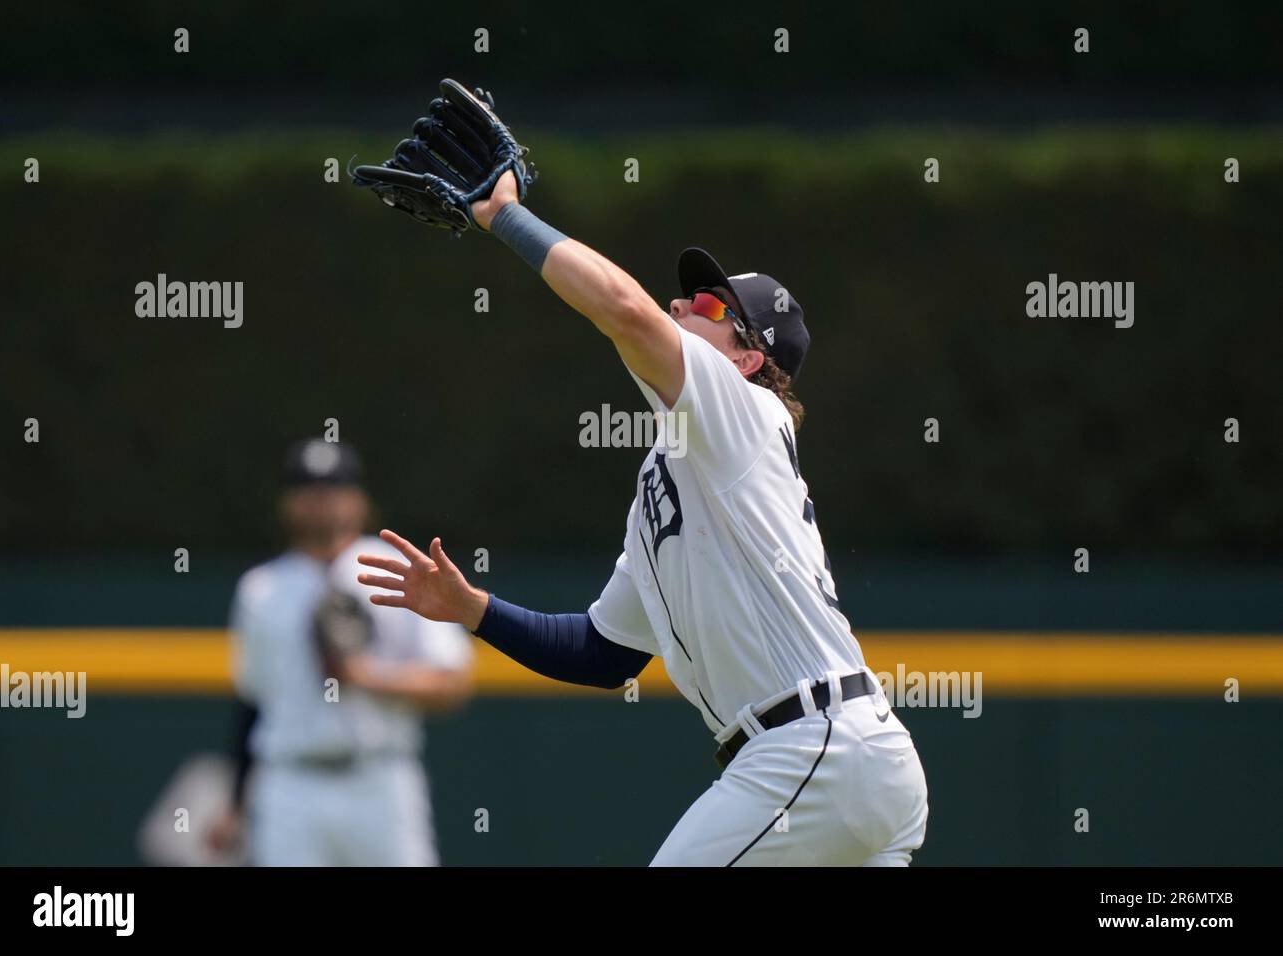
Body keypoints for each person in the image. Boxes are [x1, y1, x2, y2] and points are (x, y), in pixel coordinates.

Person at [357, 171, 928, 866]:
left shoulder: (742, 409)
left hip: (812, 750)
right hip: (852, 763)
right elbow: (606, 653)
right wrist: (474, 609)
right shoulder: (683, 480)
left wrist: (505, 215)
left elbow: (624, 309)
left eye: (713, 304)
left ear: (749, 357)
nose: (683, 303)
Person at [209, 438, 472, 866]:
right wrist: (236, 803)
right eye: (308, 489)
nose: (321, 501)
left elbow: (453, 683)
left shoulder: (399, 570)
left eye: (334, 488)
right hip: (290, 783)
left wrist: (365, 676)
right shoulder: (260, 589)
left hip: (381, 779)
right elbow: (253, 702)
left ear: (360, 500)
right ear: (287, 503)